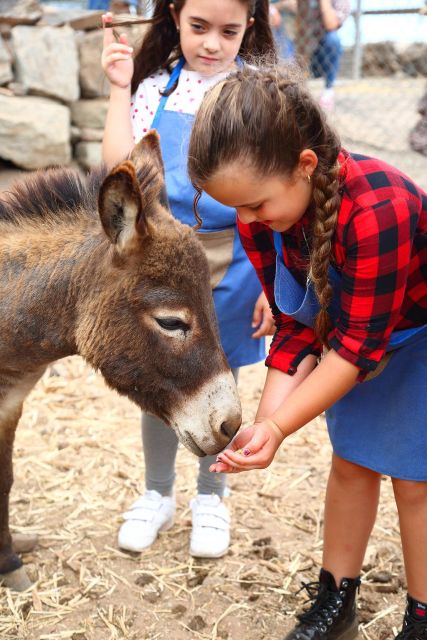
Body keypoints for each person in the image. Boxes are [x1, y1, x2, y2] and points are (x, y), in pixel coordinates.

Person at [187, 64, 427, 638]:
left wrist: (280, 429)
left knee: (416, 483)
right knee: (351, 465)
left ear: (305, 165)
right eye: (237, 209)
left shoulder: (379, 209)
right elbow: (298, 327)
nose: (246, 222)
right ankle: (335, 601)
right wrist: (265, 425)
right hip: (354, 340)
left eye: (254, 205)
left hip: (414, 337)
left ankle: (422, 615)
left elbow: (356, 350)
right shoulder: (265, 217)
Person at [100, 1, 276, 559]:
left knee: (218, 385)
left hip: (238, 265)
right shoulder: (155, 89)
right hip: (168, 271)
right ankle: (158, 493)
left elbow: (273, 197)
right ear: (174, 14)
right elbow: (119, 170)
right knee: (163, 383)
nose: (211, 44)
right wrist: (118, 87)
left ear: (250, 24)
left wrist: (277, 289)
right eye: (199, 27)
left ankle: (210, 496)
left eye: (229, 31)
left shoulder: (257, 94)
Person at [296, 0, 350, 110]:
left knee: (333, 39)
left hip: (322, 51)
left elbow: (331, 25)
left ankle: (328, 90)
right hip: (304, 44)